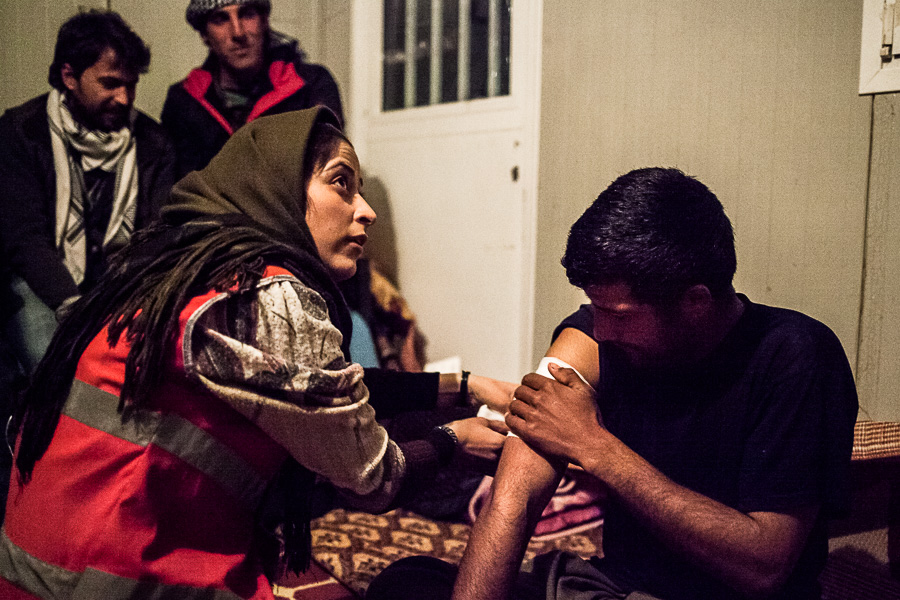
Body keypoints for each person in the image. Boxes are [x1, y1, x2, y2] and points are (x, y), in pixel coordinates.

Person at [0, 107, 507, 600]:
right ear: (280, 189)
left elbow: (315, 387)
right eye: (341, 183)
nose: (366, 209)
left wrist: (463, 385)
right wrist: (453, 439)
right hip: (124, 578)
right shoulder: (267, 295)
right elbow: (371, 477)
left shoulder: (185, 268)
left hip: (41, 570)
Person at [367, 167, 859, 600]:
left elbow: (764, 566)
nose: (599, 330)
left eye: (617, 314)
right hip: (610, 586)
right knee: (407, 582)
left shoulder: (796, 355)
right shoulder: (594, 338)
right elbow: (513, 500)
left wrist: (594, 446)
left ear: (696, 302)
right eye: (593, 306)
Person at [0, 10, 175, 376]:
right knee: (52, 367)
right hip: (40, 282)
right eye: (110, 83)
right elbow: (25, 237)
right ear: (69, 77)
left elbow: (156, 232)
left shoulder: (152, 142)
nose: (124, 98)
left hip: (118, 285)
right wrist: (70, 305)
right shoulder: (22, 131)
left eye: (131, 84)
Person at [161, 0, 344, 178]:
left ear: (264, 20)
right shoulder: (184, 101)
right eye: (220, 19)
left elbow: (330, 171)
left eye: (247, 14)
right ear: (204, 34)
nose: (238, 32)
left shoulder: (310, 84)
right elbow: (185, 191)